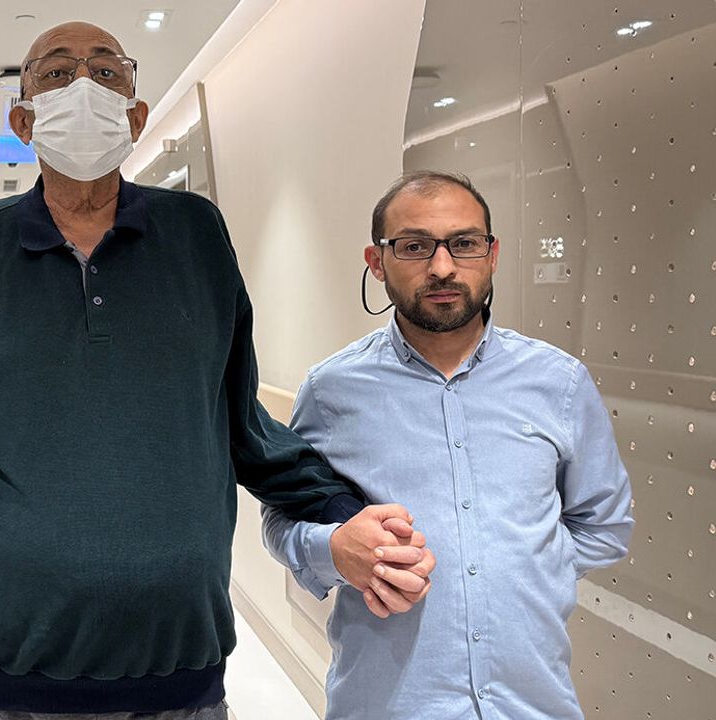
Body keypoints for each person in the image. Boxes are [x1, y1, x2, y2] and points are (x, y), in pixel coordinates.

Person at [0, 22, 428, 720]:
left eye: (106, 72)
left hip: (176, 673)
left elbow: (239, 422)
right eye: (56, 73)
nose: (82, 86)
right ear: (23, 120)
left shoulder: (196, 235)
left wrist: (341, 511)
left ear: (135, 117)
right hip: (2, 673)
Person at [261, 171, 634, 718]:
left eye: (464, 243)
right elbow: (280, 518)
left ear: (492, 255)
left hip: (532, 705)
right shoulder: (332, 390)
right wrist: (334, 549)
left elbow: (603, 525)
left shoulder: (559, 383)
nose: (442, 267)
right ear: (376, 261)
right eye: (414, 246)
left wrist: (529, 568)